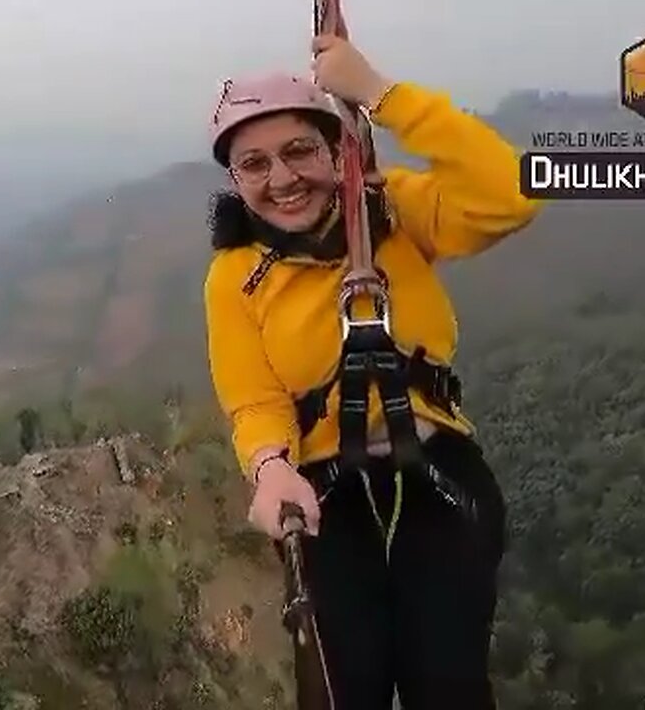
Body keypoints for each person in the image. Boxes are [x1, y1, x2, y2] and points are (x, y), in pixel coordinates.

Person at [203, 35, 542, 709]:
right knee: (339, 690)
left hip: (437, 469)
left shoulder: (389, 211)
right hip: (323, 494)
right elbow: (255, 398)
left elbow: (511, 195)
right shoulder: (236, 277)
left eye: (299, 150)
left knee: (446, 684)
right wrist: (271, 467)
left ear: (336, 151)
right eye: (254, 165)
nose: (281, 179)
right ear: (235, 180)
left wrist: (381, 94)